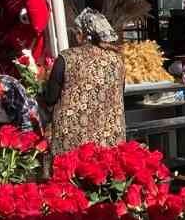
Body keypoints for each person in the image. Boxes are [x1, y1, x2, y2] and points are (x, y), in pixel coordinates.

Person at [40, 8, 125, 155]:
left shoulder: (66, 58)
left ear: (82, 34)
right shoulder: (117, 60)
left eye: (77, 32)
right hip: (109, 142)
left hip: (72, 143)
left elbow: (51, 97)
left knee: (72, 171)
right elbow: (119, 93)